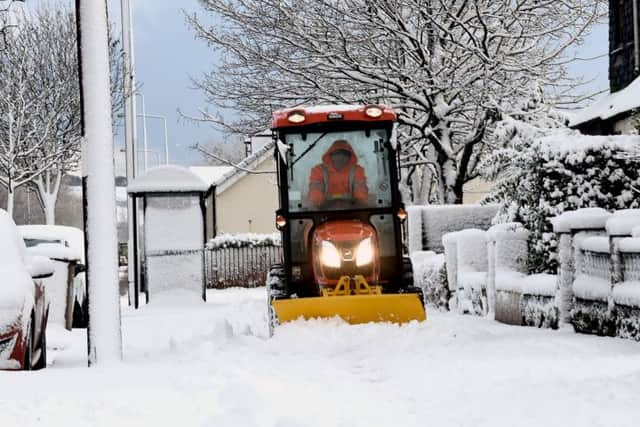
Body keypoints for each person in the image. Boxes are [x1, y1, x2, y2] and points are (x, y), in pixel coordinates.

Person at [308, 140, 368, 208]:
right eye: (337, 154)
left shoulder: (357, 170)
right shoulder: (318, 170)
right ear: (330, 155)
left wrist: (357, 204)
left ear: (349, 157)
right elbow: (315, 195)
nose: (341, 157)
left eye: (345, 154)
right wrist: (319, 204)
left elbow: (361, 195)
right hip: (324, 211)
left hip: (351, 211)